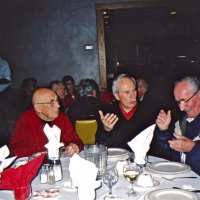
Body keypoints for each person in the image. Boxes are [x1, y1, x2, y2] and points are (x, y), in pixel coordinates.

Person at [9, 88, 83, 157]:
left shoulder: (62, 118)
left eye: (57, 101)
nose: (58, 105)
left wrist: (74, 146)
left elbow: (76, 141)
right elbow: (15, 149)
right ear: (38, 108)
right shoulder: (25, 120)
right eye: (51, 103)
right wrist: (47, 149)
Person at [96, 74, 154, 151]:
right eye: (127, 92)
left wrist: (163, 130)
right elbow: (99, 145)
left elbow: (156, 146)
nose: (132, 96)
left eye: (134, 90)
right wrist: (106, 130)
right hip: (116, 160)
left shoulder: (148, 111)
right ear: (117, 96)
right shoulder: (109, 115)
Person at [155, 76, 200, 175]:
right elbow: (169, 153)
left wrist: (192, 148)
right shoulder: (182, 122)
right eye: (179, 102)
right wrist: (164, 131)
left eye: (184, 100)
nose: (181, 108)